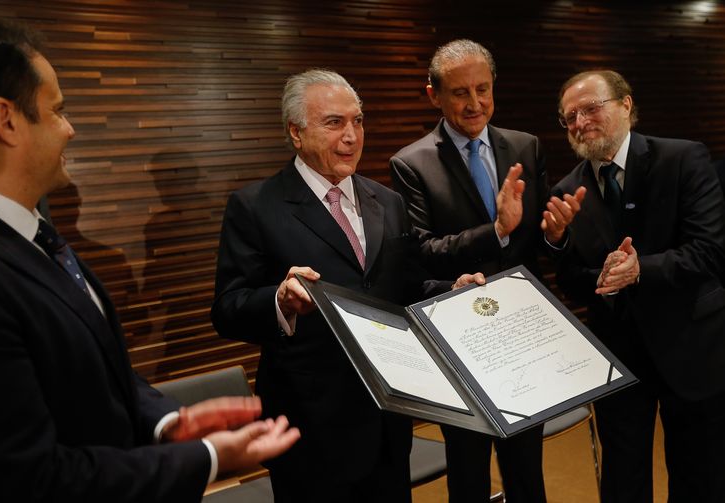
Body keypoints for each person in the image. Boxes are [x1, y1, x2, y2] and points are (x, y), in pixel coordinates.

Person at [0, 18, 300, 502]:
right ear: (7, 120)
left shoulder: (36, 236)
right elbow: (28, 476)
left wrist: (169, 422)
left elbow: (99, 373)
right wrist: (207, 458)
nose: (71, 129)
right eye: (58, 111)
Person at [211, 68, 484, 502]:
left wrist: (449, 291)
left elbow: (406, 286)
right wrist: (278, 301)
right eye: (334, 122)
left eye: (358, 121)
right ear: (296, 133)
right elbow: (228, 308)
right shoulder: (255, 206)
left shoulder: (387, 202)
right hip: (310, 427)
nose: (352, 136)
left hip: (388, 418)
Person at [389, 39, 583, 502]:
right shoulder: (411, 163)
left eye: (483, 89)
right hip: (458, 336)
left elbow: (536, 243)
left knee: (526, 470)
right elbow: (423, 252)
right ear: (433, 93)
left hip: (521, 334)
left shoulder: (525, 145)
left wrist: (556, 234)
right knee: (469, 469)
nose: (475, 103)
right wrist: (494, 230)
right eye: (460, 93)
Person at [553, 69, 725, 502]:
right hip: (619, 357)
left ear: (626, 105)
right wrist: (558, 246)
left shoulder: (683, 159)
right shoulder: (567, 189)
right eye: (569, 116)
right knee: (623, 479)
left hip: (692, 345)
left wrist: (640, 269)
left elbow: (710, 251)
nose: (579, 122)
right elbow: (573, 279)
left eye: (590, 108)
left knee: (700, 473)